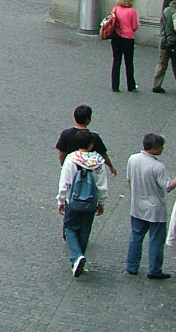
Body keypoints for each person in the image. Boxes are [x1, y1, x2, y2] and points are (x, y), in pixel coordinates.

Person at [127, 132, 176, 279]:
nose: (163, 149)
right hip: (155, 210)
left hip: (137, 207)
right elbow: (168, 186)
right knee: (156, 241)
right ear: (154, 148)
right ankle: (154, 270)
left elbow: (129, 180)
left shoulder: (133, 159)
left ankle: (132, 266)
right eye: (161, 147)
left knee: (136, 236)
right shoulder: (158, 167)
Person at [57, 129, 108, 276]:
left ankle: (76, 256)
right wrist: (101, 202)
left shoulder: (72, 159)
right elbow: (102, 185)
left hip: (73, 200)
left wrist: (61, 199)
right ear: (92, 145)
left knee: (70, 228)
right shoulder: (98, 161)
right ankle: (80, 256)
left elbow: (65, 181)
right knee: (85, 230)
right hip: (91, 201)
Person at [55, 105, 117, 176]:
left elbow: (61, 153)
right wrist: (111, 167)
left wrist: (64, 166)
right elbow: (103, 155)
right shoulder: (93, 137)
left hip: (71, 168)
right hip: (88, 172)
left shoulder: (65, 134)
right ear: (88, 120)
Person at [109, 0, 140, 92]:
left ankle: (115, 86)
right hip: (128, 38)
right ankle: (131, 86)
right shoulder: (132, 11)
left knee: (116, 61)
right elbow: (134, 27)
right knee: (129, 62)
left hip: (116, 37)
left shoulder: (116, 8)